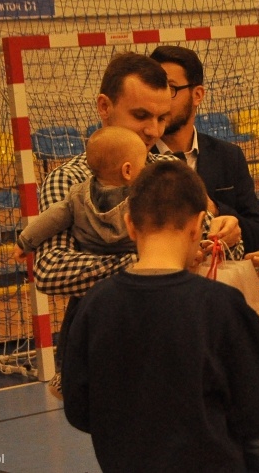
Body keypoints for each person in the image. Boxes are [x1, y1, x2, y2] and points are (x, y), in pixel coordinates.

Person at [35, 52, 243, 394]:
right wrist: (152, 263)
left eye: (162, 118)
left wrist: (228, 238)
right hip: (110, 352)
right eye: (141, 115)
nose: (153, 130)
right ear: (104, 106)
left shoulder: (172, 172)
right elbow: (50, 270)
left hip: (181, 345)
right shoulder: (69, 180)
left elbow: (221, 254)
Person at [62, 160, 259, 472]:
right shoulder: (221, 305)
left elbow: (78, 407)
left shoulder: (94, 305)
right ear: (198, 225)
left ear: (129, 224)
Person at [149, 45, 259, 254]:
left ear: (197, 95)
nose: (161, 98)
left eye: (170, 88)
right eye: (155, 87)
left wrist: (214, 208)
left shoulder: (229, 156)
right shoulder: (139, 158)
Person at [13, 126, 146, 261]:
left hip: (90, 260)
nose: (145, 169)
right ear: (127, 171)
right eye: (143, 166)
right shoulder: (141, 197)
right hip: (136, 257)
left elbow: (52, 218)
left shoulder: (78, 196)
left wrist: (25, 241)